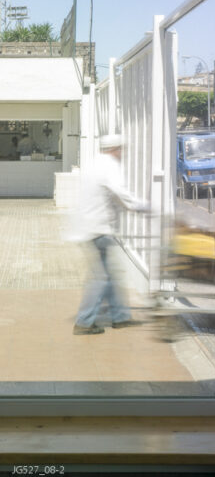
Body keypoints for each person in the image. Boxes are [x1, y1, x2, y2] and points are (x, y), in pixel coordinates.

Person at [71, 134, 149, 335]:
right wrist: (141, 207)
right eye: (120, 149)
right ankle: (84, 322)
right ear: (114, 149)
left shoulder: (94, 163)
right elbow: (119, 192)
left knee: (111, 275)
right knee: (101, 278)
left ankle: (120, 317)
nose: (122, 153)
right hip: (99, 228)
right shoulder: (109, 166)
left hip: (90, 226)